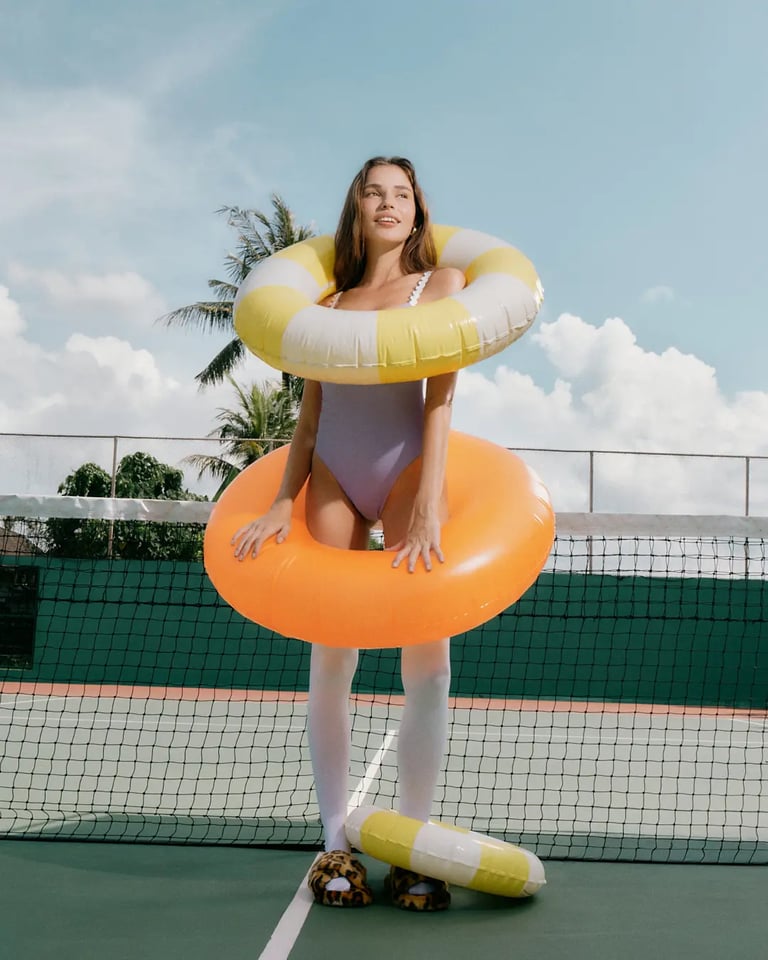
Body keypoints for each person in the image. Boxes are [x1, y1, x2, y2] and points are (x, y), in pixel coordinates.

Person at [232, 156, 466, 911]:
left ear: (417, 210)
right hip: (334, 470)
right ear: (357, 209)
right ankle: (335, 848)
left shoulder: (443, 288)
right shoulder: (326, 304)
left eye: (402, 194)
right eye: (375, 193)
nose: (388, 203)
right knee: (332, 657)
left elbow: (440, 402)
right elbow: (310, 413)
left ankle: (415, 848)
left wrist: (428, 504)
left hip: (404, 472)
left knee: (425, 660)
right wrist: (280, 501)